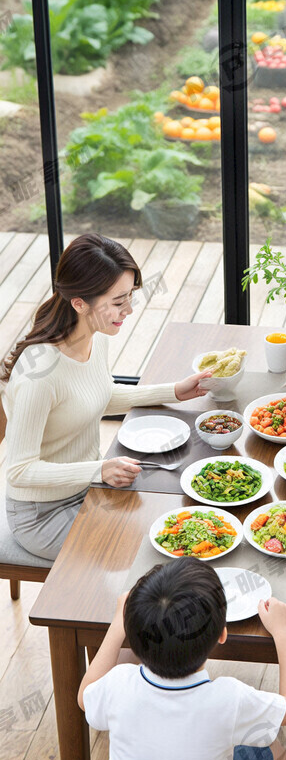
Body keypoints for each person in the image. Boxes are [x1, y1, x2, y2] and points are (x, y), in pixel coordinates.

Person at [1, 233, 212, 560]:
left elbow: (96, 395)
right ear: (79, 303)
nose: (128, 309)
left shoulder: (96, 336)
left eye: (129, 296)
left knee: (176, 514)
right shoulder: (38, 372)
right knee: (146, 554)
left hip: (86, 488)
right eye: (117, 302)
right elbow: (18, 470)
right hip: (41, 513)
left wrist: (173, 391)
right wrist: (98, 470)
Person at [78, 559, 286, 760]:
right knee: (276, 757)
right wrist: (283, 633)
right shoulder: (229, 699)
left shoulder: (118, 683)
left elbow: (85, 696)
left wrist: (117, 626)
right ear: (222, 634)